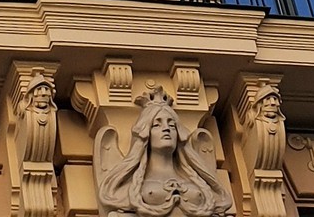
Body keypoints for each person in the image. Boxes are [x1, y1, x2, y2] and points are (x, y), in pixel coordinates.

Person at [98, 89, 231, 217]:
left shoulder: (197, 177)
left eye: (172, 125)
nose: (166, 129)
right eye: (157, 125)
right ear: (146, 133)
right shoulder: (130, 183)